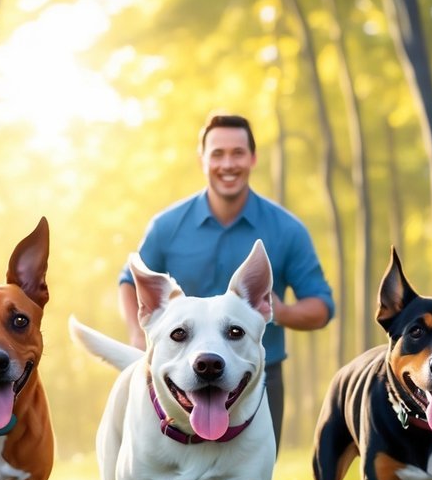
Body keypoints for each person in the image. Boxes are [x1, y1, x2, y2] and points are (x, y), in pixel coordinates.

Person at [119, 113, 335, 450]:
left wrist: (273, 310)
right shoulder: (167, 226)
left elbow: (321, 307)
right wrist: (138, 335)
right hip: (179, 375)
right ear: (202, 159)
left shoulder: (287, 230)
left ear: (253, 158)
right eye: (217, 153)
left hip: (255, 378)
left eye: (237, 153)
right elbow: (130, 282)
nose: (228, 164)